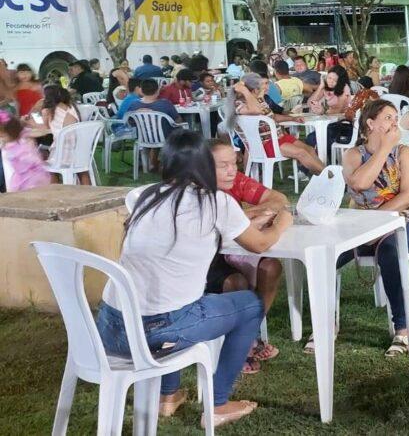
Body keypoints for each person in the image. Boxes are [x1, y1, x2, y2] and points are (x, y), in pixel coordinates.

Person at [95, 131, 285, 428]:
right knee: (249, 304)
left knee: (168, 297)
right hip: (156, 333)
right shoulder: (216, 202)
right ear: (204, 166)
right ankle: (218, 403)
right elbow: (261, 244)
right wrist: (282, 222)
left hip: (110, 328)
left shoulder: (147, 196)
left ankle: (168, 396)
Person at [340, 100, 409, 355]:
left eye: (395, 117)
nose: (394, 122)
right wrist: (384, 148)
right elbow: (360, 184)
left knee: (390, 253)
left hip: (399, 223)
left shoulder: (405, 153)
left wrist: (374, 220)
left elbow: (407, 195)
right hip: (362, 226)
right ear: (370, 123)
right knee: (326, 254)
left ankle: (402, 330)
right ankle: (326, 324)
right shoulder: (353, 155)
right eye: (388, 117)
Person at [207, 139, 290, 373]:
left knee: (271, 268)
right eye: (224, 165)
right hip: (209, 258)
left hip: (236, 248)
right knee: (236, 283)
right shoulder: (202, 193)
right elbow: (260, 241)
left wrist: (247, 215)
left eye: (234, 163)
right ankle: (239, 345)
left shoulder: (236, 182)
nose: (232, 170)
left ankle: (247, 335)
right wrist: (255, 216)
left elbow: (279, 199)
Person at [230, 74, 324, 174]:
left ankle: (324, 177)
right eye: (261, 85)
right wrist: (245, 91)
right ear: (253, 89)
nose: (265, 87)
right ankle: (332, 178)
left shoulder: (260, 100)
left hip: (278, 137)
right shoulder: (240, 104)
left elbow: (272, 117)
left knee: (310, 150)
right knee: (302, 153)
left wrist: (293, 118)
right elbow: (257, 110)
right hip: (265, 144)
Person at [0, 108, 50, 192]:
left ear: (10, 132)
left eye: (3, 136)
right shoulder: (13, 141)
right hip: (22, 177)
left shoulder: (23, 138)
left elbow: (42, 132)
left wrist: (30, 123)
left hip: (32, 177)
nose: (2, 138)